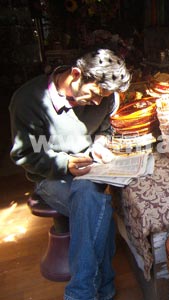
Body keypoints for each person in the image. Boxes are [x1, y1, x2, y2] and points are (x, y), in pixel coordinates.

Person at [9, 49, 131, 300]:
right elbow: (25, 156)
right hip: (50, 176)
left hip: (90, 169)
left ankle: (92, 292)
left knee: (91, 198)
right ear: (76, 74)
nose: (99, 102)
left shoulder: (104, 98)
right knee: (94, 204)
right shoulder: (28, 101)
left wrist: (99, 144)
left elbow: (106, 127)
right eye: (95, 95)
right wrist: (66, 163)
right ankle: (90, 291)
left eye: (105, 97)